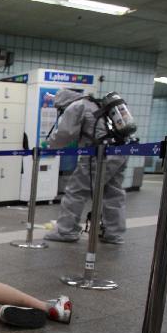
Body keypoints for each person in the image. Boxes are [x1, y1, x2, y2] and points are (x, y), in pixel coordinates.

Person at [44, 89, 128, 244]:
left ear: (62, 102)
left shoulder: (76, 106)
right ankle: (114, 233)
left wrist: (49, 145)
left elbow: (65, 133)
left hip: (98, 154)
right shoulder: (96, 104)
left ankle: (66, 231)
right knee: (112, 193)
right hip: (120, 152)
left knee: (76, 191)